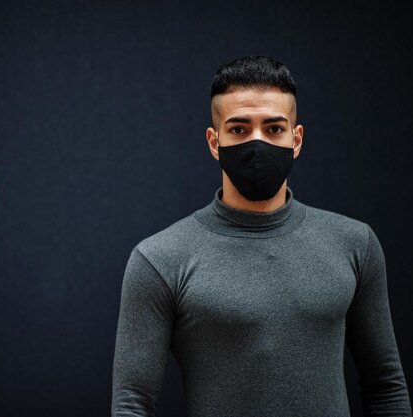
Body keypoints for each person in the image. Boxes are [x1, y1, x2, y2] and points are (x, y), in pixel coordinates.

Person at [111, 55, 412, 417]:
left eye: (274, 129)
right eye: (238, 129)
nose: (257, 143)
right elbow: (132, 402)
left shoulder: (354, 244)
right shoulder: (160, 259)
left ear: (296, 139)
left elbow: (386, 387)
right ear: (214, 141)